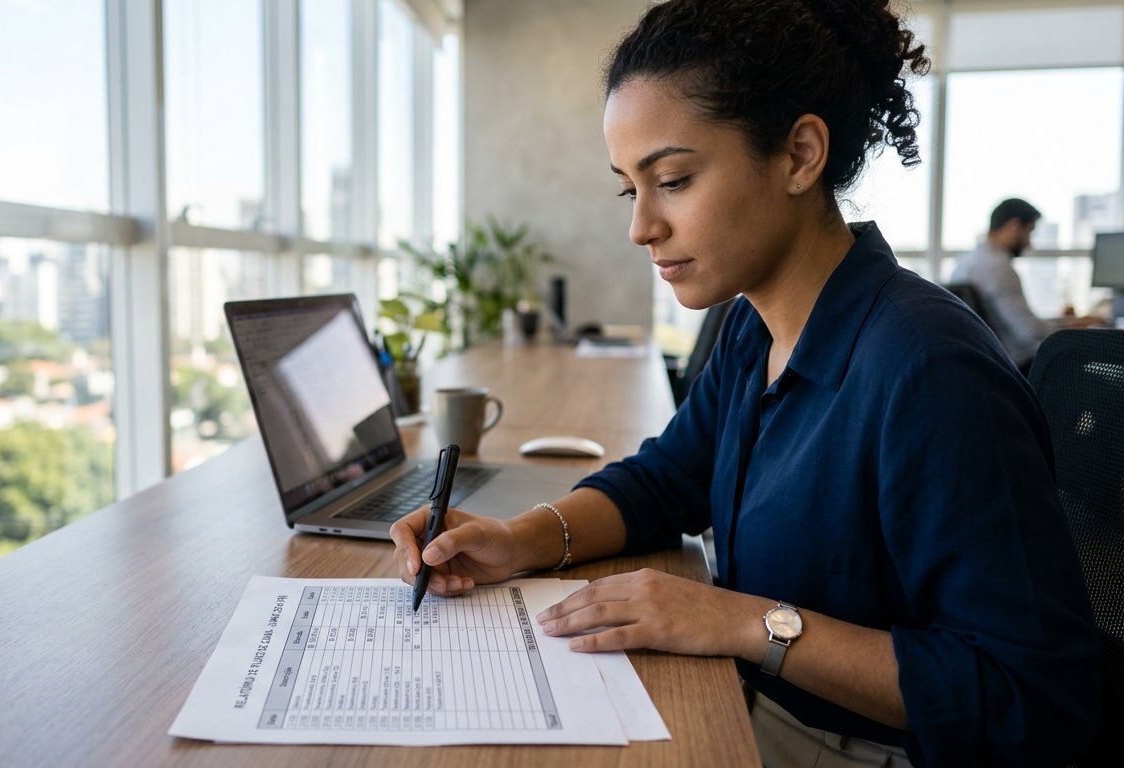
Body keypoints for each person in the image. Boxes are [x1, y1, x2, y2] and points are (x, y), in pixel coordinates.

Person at [388, 1, 1100, 766]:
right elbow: (667, 481)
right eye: (632, 189)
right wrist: (516, 539)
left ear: (798, 154)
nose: (642, 227)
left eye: (674, 179)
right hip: (759, 702)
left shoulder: (928, 370)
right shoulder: (753, 328)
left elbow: (1030, 694)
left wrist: (741, 622)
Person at [950, 198, 1102, 370]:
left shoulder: (968, 261)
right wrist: (1078, 329)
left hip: (990, 361)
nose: (1029, 243)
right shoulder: (998, 266)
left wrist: (1065, 322)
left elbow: (1019, 321)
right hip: (1019, 366)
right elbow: (1030, 332)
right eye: (1029, 232)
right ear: (1014, 226)